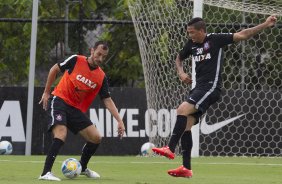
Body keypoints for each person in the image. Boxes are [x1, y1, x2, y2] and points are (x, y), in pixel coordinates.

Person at [152, 15, 277, 178]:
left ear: (202, 31)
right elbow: (179, 58)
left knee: (181, 109)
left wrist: (265, 24)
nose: (190, 36)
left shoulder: (215, 40)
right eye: (188, 32)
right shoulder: (191, 44)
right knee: (186, 125)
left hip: (211, 87)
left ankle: (169, 147)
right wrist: (181, 73)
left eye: (192, 32)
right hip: (198, 88)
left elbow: (243, 34)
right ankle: (186, 168)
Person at [38, 41, 125, 181]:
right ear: (92, 51)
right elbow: (54, 69)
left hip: (74, 109)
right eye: (98, 54)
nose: (100, 59)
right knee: (61, 134)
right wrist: (47, 92)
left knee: (96, 137)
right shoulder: (76, 60)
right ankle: (45, 173)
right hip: (59, 100)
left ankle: (82, 167)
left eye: (104, 56)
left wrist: (119, 120)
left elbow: (107, 99)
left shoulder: (101, 76)